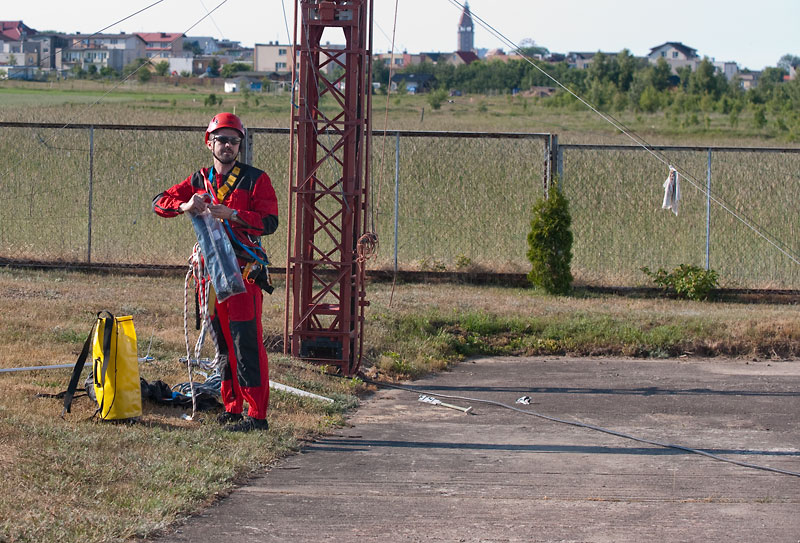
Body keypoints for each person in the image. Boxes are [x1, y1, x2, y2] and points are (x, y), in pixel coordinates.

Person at [152, 112, 278, 432]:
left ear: (240, 145)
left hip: (243, 273)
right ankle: (232, 406)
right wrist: (185, 206)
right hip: (210, 275)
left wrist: (232, 214)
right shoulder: (199, 181)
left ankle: (257, 415)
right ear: (209, 142)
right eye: (221, 139)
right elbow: (160, 202)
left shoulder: (255, 179)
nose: (227, 145)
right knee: (222, 342)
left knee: (246, 342)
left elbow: (269, 222)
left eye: (234, 141)